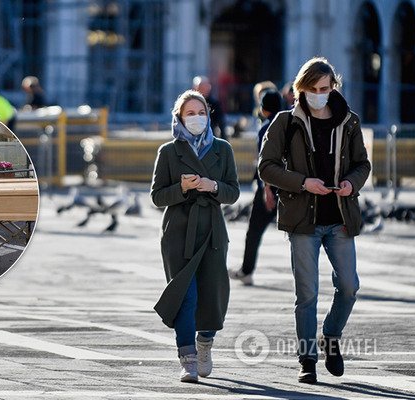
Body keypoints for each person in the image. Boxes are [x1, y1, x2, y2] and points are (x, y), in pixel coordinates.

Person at [258, 57, 371, 384]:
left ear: (333, 87)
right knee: (306, 293)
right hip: (302, 220)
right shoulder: (285, 121)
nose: (319, 94)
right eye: (313, 89)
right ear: (301, 89)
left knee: (349, 286)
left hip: (340, 217)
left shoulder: (349, 121)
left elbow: (363, 164)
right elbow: (266, 167)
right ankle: (307, 359)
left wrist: (352, 182)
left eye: (325, 88)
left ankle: (330, 335)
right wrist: (303, 182)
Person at [151, 90, 240, 383]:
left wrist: (212, 186)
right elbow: (157, 197)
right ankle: (187, 357)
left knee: (212, 295)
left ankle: (205, 343)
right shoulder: (168, 151)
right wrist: (184, 188)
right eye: (190, 114)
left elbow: (233, 192)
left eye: (201, 113)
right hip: (178, 232)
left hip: (212, 231)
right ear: (179, 118)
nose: (197, 118)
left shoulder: (223, 149)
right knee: (185, 297)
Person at [229, 89, 283, 285]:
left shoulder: (265, 128)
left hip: (270, 187)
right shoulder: (290, 123)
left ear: (264, 109)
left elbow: (265, 160)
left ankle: (247, 270)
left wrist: (267, 188)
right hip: (291, 186)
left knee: (254, 232)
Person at [192, 76, 227, 140]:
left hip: (210, 138)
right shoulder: (190, 104)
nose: (204, 89)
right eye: (201, 87)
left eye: (206, 86)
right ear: (195, 88)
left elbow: (221, 122)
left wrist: (224, 139)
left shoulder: (214, 103)